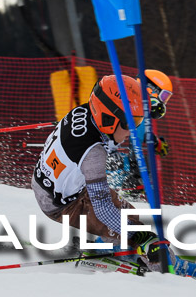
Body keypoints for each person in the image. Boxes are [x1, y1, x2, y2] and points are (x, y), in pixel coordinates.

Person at [31, 74, 166, 268]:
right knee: (124, 228)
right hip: (61, 205)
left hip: (53, 184)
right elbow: (103, 210)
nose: (131, 132)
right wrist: (141, 236)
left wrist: (146, 106)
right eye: (129, 124)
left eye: (136, 122)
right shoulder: (93, 153)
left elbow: (117, 94)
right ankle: (110, 257)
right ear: (109, 118)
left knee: (130, 215)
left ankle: (105, 249)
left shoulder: (87, 111)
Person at [106, 69, 173, 199]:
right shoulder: (135, 105)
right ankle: (128, 189)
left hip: (105, 155)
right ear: (151, 90)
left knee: (135, 163)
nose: (164, 102)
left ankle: (128, 187)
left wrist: (155, 142)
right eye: (164, 96)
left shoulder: (133, 101)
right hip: (103, 157)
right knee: (139, 164)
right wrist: (136, 172)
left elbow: (140, 131)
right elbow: (136, 137)